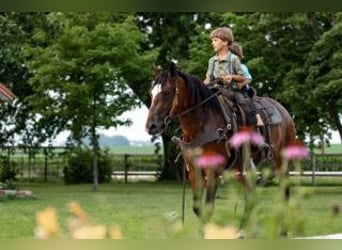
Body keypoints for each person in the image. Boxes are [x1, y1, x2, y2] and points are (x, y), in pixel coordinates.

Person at [203, 27, 268, 150]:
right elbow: (208, 78)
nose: (212, 43)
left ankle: (257, 136)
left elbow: (242, 77)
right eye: (212, 40)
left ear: (225, 42)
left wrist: (231, 77)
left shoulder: (234, 59)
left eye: (215, 40)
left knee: (245, 104)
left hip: (232, 90)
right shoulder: (211, 60)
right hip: (216, 89)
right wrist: (201, 86)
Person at [229, 42, 264, 126]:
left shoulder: (241, 67)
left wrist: (241, 85)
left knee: (245, 102)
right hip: (229, 89)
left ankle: (258, 119)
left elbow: (249, 78)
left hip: (241, 89)